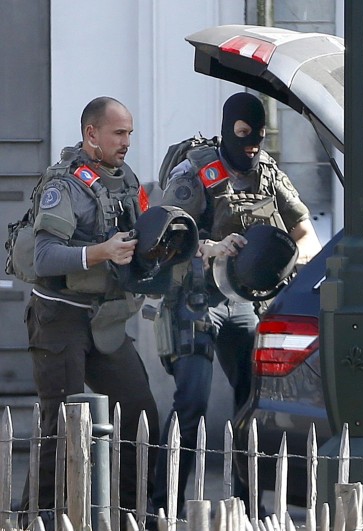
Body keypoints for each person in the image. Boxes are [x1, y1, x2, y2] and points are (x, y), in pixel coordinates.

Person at [152, 91, 321, 515]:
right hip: (195, 299)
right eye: (243, 134)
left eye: (259, 136)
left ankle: (248, 506)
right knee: (191, 403)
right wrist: (212, 246)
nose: (251, 145)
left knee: (252, 403)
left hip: (244, 301)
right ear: (228, 129)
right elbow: (161, 234)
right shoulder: (196, 173)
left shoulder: (267, 171)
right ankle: (163, 508)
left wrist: (285, 261)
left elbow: (306, 232)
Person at [21, 96, 160, 525]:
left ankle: (129, 514)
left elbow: (146, 234)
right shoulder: (63, 185)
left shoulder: (126, 180)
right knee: (61, 426)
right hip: (59, 317)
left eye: (130, 133)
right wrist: (101, 252)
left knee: (141, 415)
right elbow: (44, 258)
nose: (126, 142)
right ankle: (37, 518)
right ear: (91, 134)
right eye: (119, 133)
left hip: (106, 318)